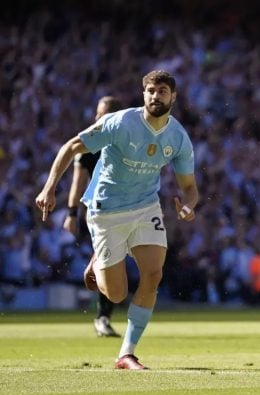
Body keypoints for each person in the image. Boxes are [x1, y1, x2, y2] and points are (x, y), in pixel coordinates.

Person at [36, 70, 199, 369]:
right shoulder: (120, 122)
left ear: (173, 97)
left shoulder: (177, 137)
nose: (155, 96)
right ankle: (99, 262)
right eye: (150, 90)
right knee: (117, 293)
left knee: (153, 275)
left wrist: (188, 207)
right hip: (106, 211)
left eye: (162, 91)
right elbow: (72, 146)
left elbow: (190, 189)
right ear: (143, 94)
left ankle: (126, 353)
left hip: (146, 208)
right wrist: (48, 188)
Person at [63, 96, 126, 338]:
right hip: (100, 209)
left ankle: (105, 310)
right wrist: (71, 213)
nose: (98, 119)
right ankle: (102, 316)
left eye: (103, 114)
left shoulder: (127, 141)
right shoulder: (89, 142)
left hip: (130, 207)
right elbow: (78, 181)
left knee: (119, 261)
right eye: (97, 114)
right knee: (111, 260)